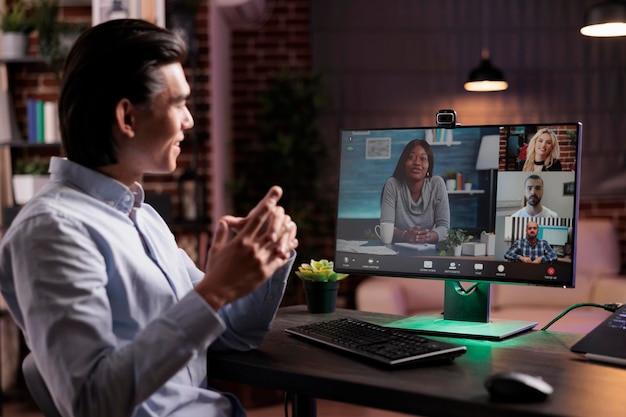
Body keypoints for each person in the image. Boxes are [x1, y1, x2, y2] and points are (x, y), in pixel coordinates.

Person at [0, 19, 299, 417]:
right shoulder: (52, 231)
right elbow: (92, 401)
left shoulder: (146, 219)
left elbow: (235, 333)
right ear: (127, 118)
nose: (189, 120)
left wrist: (266, 258)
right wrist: (215, 291)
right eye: (179, 104)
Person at [380, 139, 450, 244]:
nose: (417, 162)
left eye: (423, 158)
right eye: (411, 157)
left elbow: (444, 227)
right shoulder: (393, 184)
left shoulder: (437, 184)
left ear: (429, 166)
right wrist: (405, 235)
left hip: (428, 252)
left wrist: (428, 237)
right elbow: (386, 227)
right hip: (396, 253)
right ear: (404, 163)